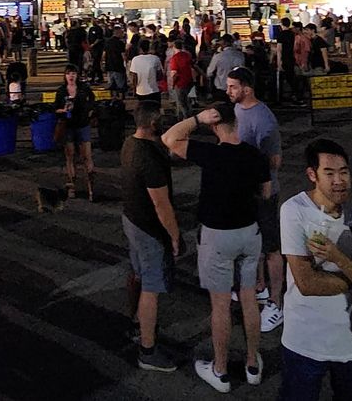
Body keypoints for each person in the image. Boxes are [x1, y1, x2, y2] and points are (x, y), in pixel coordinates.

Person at [163, 104, 270, 392]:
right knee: (249, 298)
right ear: (236, 123)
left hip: (217, 236)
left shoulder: (210, 153)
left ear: (214, 126)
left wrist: (196, 119)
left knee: (220, 304)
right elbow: (266, 192)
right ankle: (251, 364)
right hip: (249, 232)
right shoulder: (254, 155)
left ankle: (221, 369)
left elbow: (169, 139)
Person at [279, 139, 352, 401]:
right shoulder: (295, 211)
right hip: (304, 341)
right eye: (329, 173)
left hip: (351, 343)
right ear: (312, 175)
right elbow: (307, 284)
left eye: (344, 172)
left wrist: (339, 259)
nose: (339, 180)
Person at [120, 100, 181, 373]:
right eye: (163, 117)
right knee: (152, 287)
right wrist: (175, 235)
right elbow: (162, 205)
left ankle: (136, 323)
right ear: (154, 123)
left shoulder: (130, 144)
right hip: (148, 227)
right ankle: (148, 349)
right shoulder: (149, 158)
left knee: (138, 274)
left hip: (131, 219)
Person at [228, 66, 285, 334]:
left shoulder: (264, 119)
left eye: (232, 87)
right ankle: (259, 287)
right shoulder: (237, 110)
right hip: (244, 189)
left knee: (272, 247)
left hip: (264, 192)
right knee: (254, 243)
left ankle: (277, 302)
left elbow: (275, 161)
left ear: (246, 89)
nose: (228, 91)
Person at [53, 65, 97, 200]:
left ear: (77, 75)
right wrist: (62, 111)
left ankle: (91, 188)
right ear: (65, 76)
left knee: (86, 156)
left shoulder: (84, 89)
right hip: (68, 126)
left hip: (82, 124)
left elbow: (93, 101)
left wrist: (89, 111)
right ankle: (72, 186)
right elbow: (55, 108)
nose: (71, 76)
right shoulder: (61, 91)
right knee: (70, 156)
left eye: (73, 73)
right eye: (68, 74)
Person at [206, 33, 246, 103]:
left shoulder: (218, 56)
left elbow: (209, 73)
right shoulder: (240, 55)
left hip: (221, 89)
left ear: (223, 43)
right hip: (236, 89)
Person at [167, 38, 197, 117]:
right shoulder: (187, 55)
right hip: (189, 80)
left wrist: (173, 84)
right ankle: (188, 116)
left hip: (180, 82)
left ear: (174, 47)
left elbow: (174, 73)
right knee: (187, 101)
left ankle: (185, 118)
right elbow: (193, 66)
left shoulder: (174, 58)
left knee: (182, 102)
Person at [105, 25, 129, 100]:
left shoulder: (107, 42)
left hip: (109, 65)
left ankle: (114, 97)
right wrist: (126, 63)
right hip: (118, 65)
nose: (123, 34)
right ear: (118, 33)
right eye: (121, 33)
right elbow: (123, 55)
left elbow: (104, 54)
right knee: (120, 84)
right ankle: (122, 98)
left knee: (112, 83)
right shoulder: (120, 43)